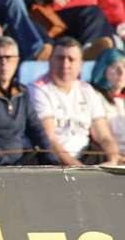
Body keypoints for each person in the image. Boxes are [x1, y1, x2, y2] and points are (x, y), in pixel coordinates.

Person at [28, 37, 121, 165]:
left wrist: (113, 159)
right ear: (50, 60)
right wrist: (79, 170)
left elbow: (104, 136)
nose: (65, 64)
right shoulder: (38, 89)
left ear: (81, 64)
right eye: (60, 58)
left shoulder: (87, 90)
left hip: (85, 157)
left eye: (71, 59)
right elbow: (49, 139)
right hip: (52, 160)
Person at [0, 36, 56, 165]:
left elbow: (36, 129)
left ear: (17, 61)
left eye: (9, 58)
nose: (4, 63)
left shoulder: (22, 92)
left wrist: (51, 160)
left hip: (21, 160)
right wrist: (4, 164)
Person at [90, 49, 125, 158]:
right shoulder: (92, 95)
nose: (121, 72)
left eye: (124, 66)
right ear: (102, 69)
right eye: (115, 66)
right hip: (107, 158)